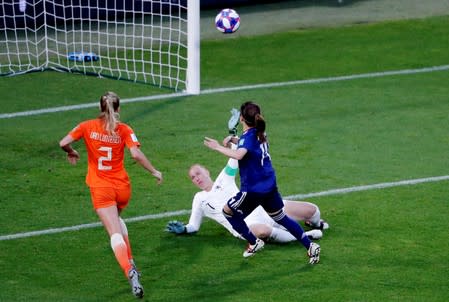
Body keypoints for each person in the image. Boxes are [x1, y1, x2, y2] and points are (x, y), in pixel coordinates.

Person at [59, 91, 163, 298]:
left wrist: (72, 151)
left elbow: (63, 143)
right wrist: (154, 171)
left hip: (101, 188)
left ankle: (129, 271)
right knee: (117, 220)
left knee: (114, 232)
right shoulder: (124, 129)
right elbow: (135, 153)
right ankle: (131, 261)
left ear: (99, 108)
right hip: (122, 187)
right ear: (119, 109)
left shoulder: (86, 126)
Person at [203, 101, 321, 264]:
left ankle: (253, 242)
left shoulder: (250, 138)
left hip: (253, 189)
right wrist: (233, 137)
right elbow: (247, 142)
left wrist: (216, 147)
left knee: (228, 212)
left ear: (242, 119)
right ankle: (310, 246)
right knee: (281, 218)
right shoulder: (260, 133)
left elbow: (239, 155)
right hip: (269, 186)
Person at [166, 156, 328, 243]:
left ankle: (316, 224)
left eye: (198, 173)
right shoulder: (199, 199)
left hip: (261, 208)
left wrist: (233, 133)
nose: (197, 178)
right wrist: (184, 229)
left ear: (207, 171)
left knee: (311, 210)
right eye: (193, 178)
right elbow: (194, 225)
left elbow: (236, 155)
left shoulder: (225, 177)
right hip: (246, 225)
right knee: (262, 231)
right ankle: (307, 236)